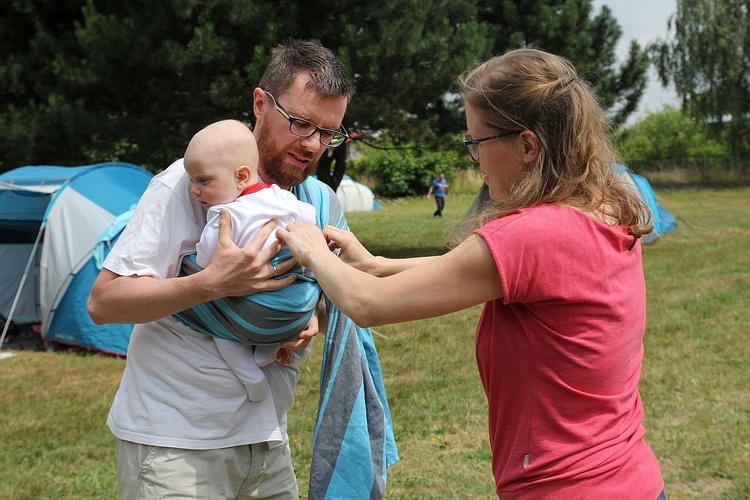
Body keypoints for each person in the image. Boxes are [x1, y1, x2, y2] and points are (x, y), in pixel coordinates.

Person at [277, 48, 667, 499]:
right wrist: (374, 263)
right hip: (633, 479)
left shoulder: (535, 234)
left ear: (526, 145)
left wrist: (310, 249)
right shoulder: (599, 212)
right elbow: (470, 271)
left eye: (476, 143)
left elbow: (367, 304)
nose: (474, 160)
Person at [87, 41, 357, 499]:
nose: (312, 144)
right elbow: (103, 301)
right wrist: (212, 283)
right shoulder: (189, 184)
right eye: (301, 122)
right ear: (260, 103)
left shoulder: (318, 201)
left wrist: (312, 318)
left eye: (327, 132)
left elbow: (340, 296)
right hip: (176, 448)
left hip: (268, 443)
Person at [178, 118, 318, 402]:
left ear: (241, 176)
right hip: (293, 303)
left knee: (222, 333)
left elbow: (206, 259)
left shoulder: (223, 215)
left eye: (204, 180)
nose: (194, 190)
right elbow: (309, 217)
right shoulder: (279, 196)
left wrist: (192, 261)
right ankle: (267, 351)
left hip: (259, 310)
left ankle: (251, 378)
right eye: (193, 181)